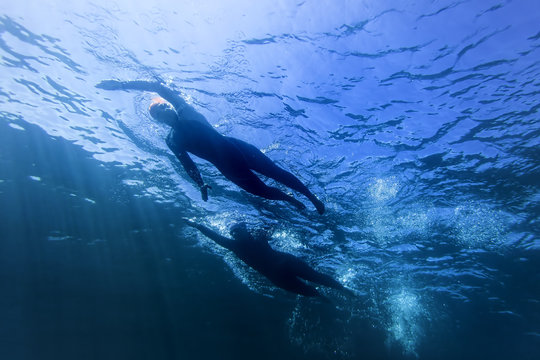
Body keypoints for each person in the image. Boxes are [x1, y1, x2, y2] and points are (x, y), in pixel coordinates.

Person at [96, 79, 325, 214]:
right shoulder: (172, 140)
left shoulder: (186, 110)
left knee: (276, 172)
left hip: (237, 149)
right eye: (158, 113)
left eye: (163, 107)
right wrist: (200, 183)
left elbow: (158, 86)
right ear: (157, 120)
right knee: (261, 191)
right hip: (226, 167)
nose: (164, 111)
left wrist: (121, 85)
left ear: (169, 106)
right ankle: (289, 199)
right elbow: (187, 164)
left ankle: (311, 197)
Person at [183, 219, 346, 298]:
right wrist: (196, 225)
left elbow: (272, 226)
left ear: (245, 229)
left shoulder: (259, 235)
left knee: (317, 277)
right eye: (233, 233)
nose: (235, 234)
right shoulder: (235, 246)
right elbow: (214, 236)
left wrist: (275, 222)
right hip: (278, 277)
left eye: (238, 230)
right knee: (311, 292)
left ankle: (345, 290)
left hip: (288, 264)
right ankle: (327, 301)